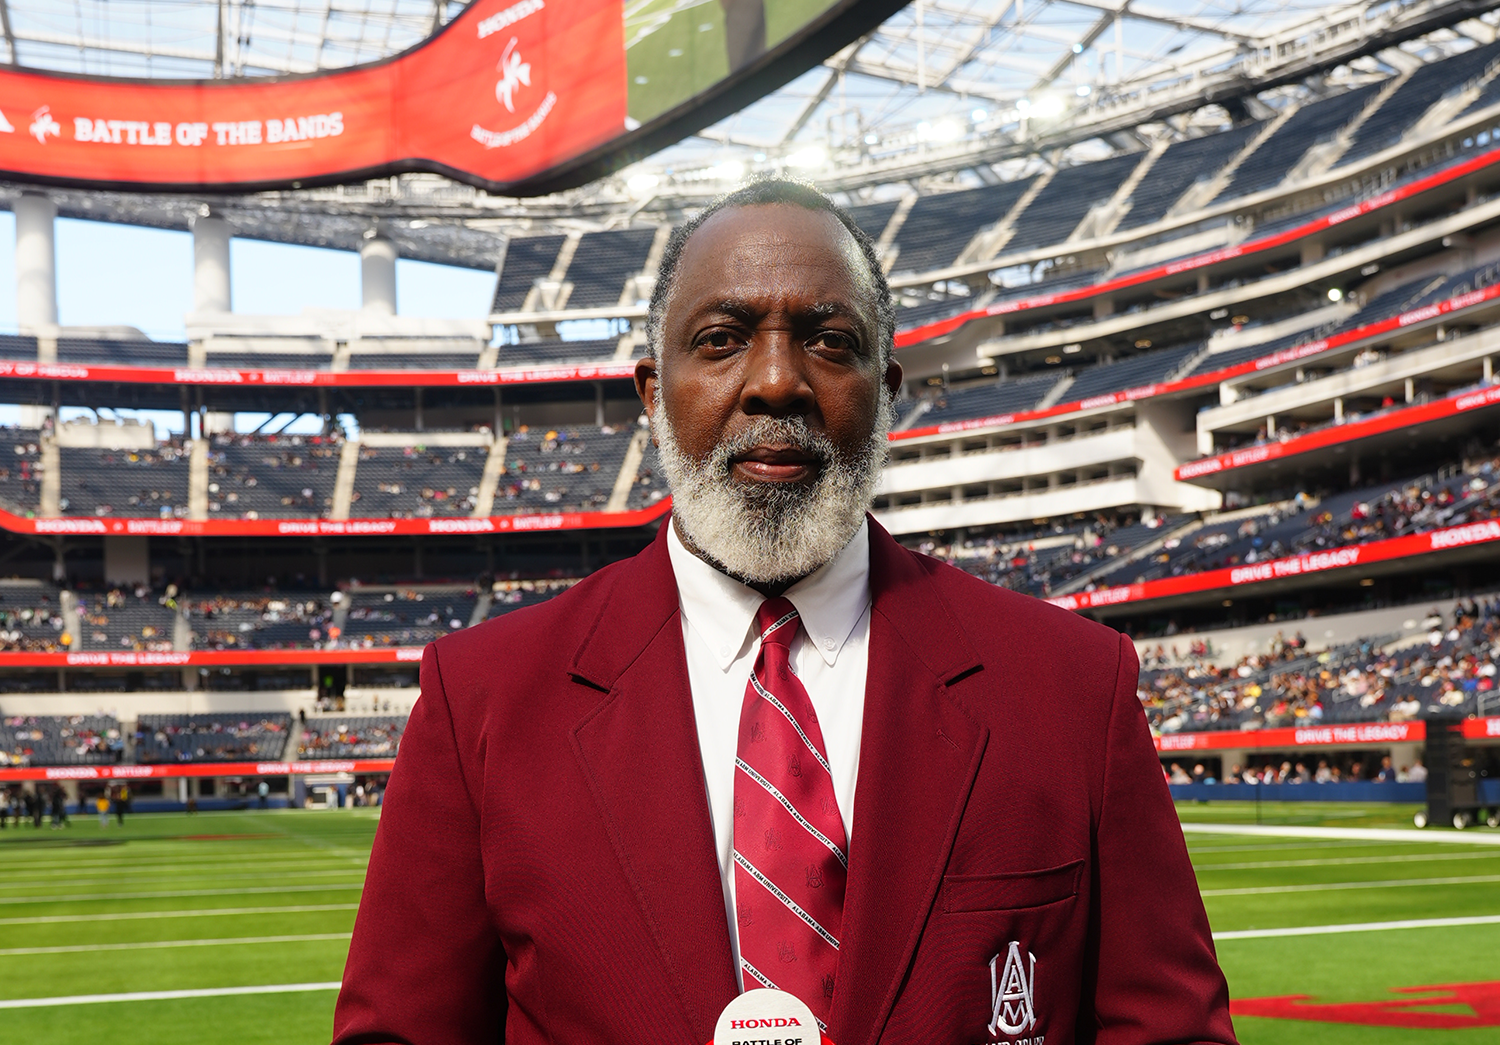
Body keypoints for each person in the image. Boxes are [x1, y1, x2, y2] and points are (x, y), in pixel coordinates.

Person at [333, 181, 1234, 1045]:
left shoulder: (1073, 687)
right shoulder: (483, 698)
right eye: (722, 339)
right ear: (653, 396)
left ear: (889, 390)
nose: (776, 383)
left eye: (831, 343)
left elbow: (1169, 1029)